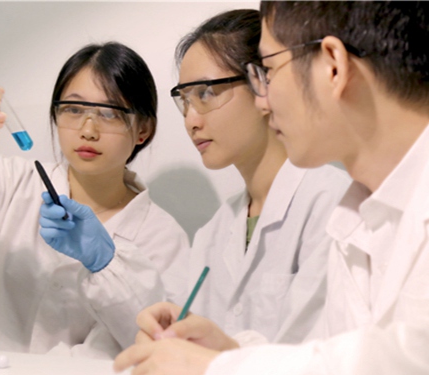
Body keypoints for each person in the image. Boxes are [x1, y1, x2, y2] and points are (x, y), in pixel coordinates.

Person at [114, 2, 429, 375]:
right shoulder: (359, 213)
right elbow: (332, 354)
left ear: (333, 66)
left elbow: (412, 367)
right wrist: (226, 351)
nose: (263, 99)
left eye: (269, 70)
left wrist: (218, 373)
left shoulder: (339, 204)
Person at [0, 41, 189, 358]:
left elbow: (159, 343)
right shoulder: (9, 184)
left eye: (110, 113)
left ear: (143, 129)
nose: (88, 130)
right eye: (74, 109)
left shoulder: (163, 238)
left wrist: (108, 263)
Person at [147, 8, 350, 349]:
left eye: (205, 94)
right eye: (184, 100)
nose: (191, 121)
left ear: (263, 83)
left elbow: (318, 352)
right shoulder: (214, 231)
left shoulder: (332, 204)